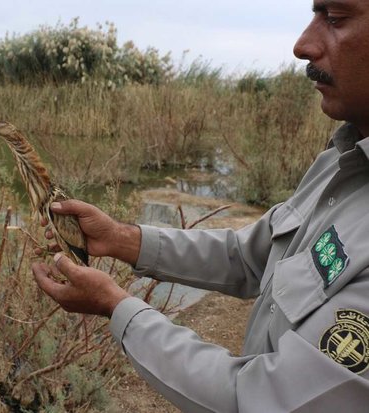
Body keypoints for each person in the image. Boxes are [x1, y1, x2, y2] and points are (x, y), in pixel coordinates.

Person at [31, 0, 369, 411]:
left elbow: (253, 400)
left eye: (335, 19)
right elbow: (247, 258)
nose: (302, 44)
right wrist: (121, 239)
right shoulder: (339, 160)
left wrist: (116, 306)